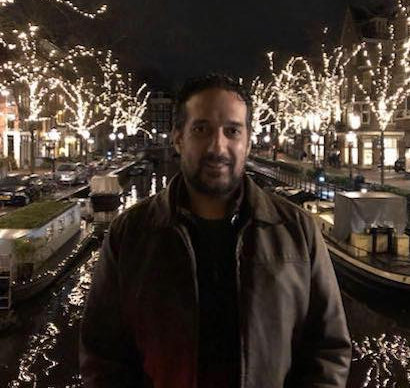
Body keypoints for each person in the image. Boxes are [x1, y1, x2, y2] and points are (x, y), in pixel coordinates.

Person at [80, 74, 352, 387]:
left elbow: (327, 349)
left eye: (232, 131)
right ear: (178, 139)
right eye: (201, 129)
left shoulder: (298, 231)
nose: (217, 146)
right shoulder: (128, 234)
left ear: (247, 142)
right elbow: (102, 356)